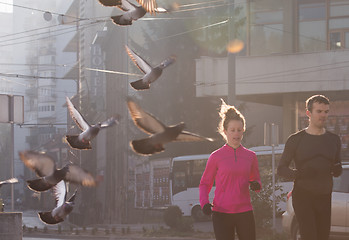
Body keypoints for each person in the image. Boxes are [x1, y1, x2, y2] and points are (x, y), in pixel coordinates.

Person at [277, 94, 342, 240]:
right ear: (308, 113)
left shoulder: (333, 140)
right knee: (310, 236)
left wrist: (338, 170)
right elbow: (281, 169)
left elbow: (337, 166)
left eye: (326, 111)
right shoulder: (296, 140)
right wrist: (298, 174)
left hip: (324, 196)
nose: (323, 115)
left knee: (322, 236)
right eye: (319, 111)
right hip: (303, 196)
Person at [199, 99, 261, 240]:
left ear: (243, 131)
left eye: (239, 130)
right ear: (225, 131)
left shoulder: (250, 156)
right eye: (232, 130)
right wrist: (204, 203)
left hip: (245, 211)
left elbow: (256, 181)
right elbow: (204, 184)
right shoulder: (216, 157)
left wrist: (256, 184)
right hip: (222, 213)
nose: (236, 134)